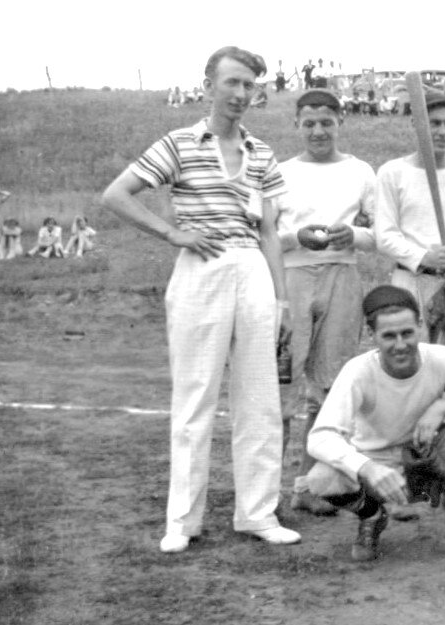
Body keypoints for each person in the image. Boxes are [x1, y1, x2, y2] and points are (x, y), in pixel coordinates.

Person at [101, 45, 300, 553]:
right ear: (209, 85)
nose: (239, 94)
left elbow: (272, 233)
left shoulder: (262, 153)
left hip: (253, 270)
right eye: (231, 83)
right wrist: (172, 234)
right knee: (195, 397)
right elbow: (116, 195)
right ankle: (182, 522)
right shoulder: (179, 142)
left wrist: (282, 301)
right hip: (200, 271)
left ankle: (257, 513)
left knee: (260, 398)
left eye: (249, 86)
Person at [301, 285, 445, 573]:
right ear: (372, 336)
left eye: (407, 333)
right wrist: (366, 467)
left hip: (431, 457)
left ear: (420, 327)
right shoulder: (358, 371)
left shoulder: (440, 358)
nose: (400, 344)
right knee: (321, 479)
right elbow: (320, 437)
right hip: (381, 466)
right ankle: (372, 515)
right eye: (388, 336)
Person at [274, 90, 377, 517]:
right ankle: (264, 495)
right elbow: (264, 236)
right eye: (309, 123)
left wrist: (353, 236)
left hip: (341, 276)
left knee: (329, 386)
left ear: (340, 123)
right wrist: (294, 238)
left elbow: (381, 233)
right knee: (279, 384)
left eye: (327, 123)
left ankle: (307, 486)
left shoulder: (360, 171)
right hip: (291, 277)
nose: (318, 131)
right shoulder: (279, 172)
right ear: (297, 125)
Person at [375, 88, 445, 362]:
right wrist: (424, 256)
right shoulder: (393, 173)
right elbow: (384, 235)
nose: (441, 131)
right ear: (416, 124)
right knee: (409, 361)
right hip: (410, 280)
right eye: (433, 123)